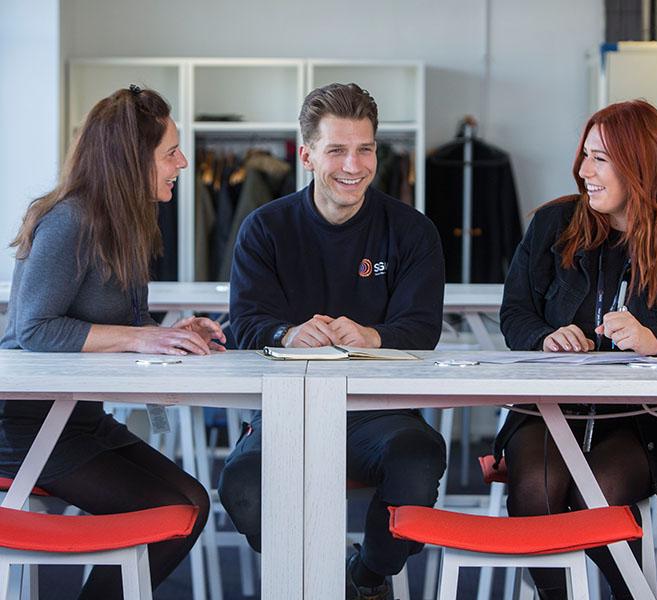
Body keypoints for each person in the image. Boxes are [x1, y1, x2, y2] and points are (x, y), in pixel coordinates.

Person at [218, 82, 447, 600]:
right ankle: (319, 570)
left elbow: (423, 328)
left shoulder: (411, 231)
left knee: (417, 465)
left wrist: (374, 335)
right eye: (337, 150)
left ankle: (365, 578)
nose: (354, 165)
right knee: (243, 489)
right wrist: (288, 333)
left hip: (383, 415)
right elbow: (246, 325)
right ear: (306, 155)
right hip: (286, 412)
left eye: (365, 149)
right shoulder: (264, 229)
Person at [0, 86, 224, 599]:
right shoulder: (67, 221)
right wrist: (142, 336)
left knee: (192, 504)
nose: (183, 163)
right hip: (27, 430)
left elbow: (128, 321)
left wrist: (172, 332)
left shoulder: (127, 224)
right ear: (130, 160)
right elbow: (34, 330)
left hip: (80, 421)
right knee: (169, 515)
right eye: (170, 152)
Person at [494, 99, 657, 599]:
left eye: (599, 158)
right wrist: (542, 336)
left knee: (598, 493)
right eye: (584, 155)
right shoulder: (553, 225)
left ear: (639, 165)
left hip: (649, 422)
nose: (582, 170)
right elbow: (515, 314)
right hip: (547, 411)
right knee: (535, 489)